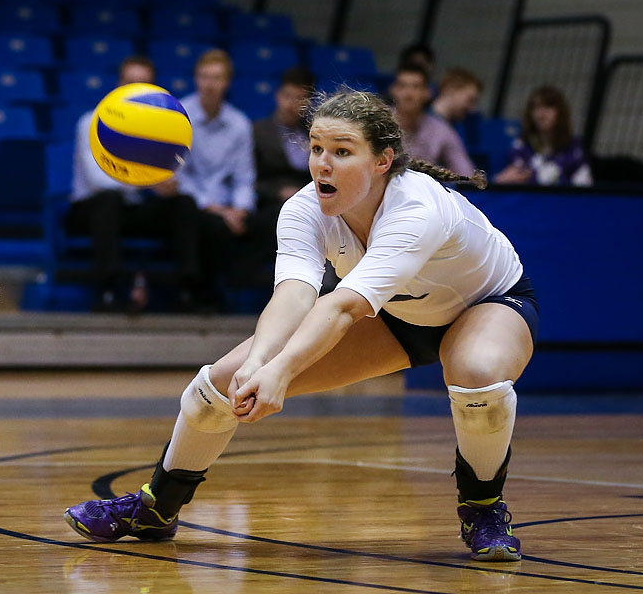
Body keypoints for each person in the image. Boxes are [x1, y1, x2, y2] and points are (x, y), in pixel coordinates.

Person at [64, 89, 539, 563]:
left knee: (476, 373)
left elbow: (343, 307)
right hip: (399, 314)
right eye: (316, 148)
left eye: (341, 151)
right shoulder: (302, 209)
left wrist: (282, 371)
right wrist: (256, 364)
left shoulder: (416, 207)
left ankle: (483, 509)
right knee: (219, 385)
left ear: (382, 161)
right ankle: (155, 509)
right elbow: (293, 295)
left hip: (486, 303)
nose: (322, 164)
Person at [67, 55, 201, 312]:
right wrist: (151, 182)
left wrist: (168, 186)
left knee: (184, 203)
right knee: (109, 201)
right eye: (129, 83)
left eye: (143, 84)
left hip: (136, 209)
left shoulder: (166, 128)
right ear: (118, 85)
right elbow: (99, 181)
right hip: (91, 208)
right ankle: (108, 288)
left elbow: (177, 174)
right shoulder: (91, 122)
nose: (135, 90)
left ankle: (188, 288)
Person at [170, 49, 267, 305]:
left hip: (227, 205)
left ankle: (239, 285)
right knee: (202, 220)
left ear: (227, 83)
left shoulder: (239, 123)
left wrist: (240, 209)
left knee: (272, 222)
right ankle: (199, 292)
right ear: (196, 79)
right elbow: (180, 176)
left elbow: (244, 177)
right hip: (192, 202)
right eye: (204, 77)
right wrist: (216, 210)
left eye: (216, 78)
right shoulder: (179, 116)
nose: (210, 84)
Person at [495, 85, 592, 186]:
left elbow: (584, 186)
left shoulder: (573, 148)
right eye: (536, 108)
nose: (541, 114)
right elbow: (518, 177)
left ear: (561, 112)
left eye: (548, 106)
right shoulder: (521, 147)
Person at [390, 62, 475, 177]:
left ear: (427, 93)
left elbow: (466, 173)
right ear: (393, 90)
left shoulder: (441, 130)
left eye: (416, 87)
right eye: (402, 86)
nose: (408, 94)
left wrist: (441, 176)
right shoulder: (377, 123)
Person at [253, 66, 315, 213]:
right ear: (278, 95)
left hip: (309, 202)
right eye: (287, 96)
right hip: (271, 204)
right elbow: (251, 179)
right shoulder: (258, 131)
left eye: (300, 98)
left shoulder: (314, 133)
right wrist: (279, 192)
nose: (291, 104)